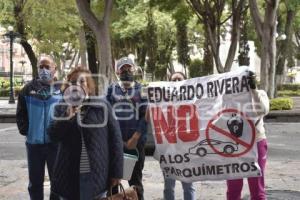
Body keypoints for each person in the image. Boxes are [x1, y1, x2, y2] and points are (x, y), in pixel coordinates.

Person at [47, 67, 123, 200]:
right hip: (69, 176)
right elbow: (52, 135)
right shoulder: (61, 106)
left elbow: (115, 139)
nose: (77, 86)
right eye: (73, 82)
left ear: (88, 86)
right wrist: (67, 118)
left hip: (97, 174)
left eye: (82, 82)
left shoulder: (102, 106)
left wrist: (117, 173)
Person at [16, 56, 61, 200]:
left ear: (55, 69)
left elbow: (68, 114)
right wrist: (27, 130)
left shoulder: (62, 90)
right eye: (41, 66)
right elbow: (20, 113)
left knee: (58, 183)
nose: (44, 70)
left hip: (55, 145)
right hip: (34, 145)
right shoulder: (27, 90)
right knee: (35, 183)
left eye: (47, 67)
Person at [107, 57, 148, 200]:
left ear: (133, 69)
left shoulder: (142, 90)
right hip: (114, 145)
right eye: (122, 68)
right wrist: (115, 140)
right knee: (112, 182)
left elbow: (146, 116)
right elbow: (106, 114)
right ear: (117, 71)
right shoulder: (111, 89)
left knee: (135, 182)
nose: (126, 71)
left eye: (128, 68)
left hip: (136, 145)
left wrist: (135, 138)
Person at [226, 71, 269, 200]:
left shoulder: (260, 93)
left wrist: (253, 90)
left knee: (257, 183)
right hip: (235, 144)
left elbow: (263, 110)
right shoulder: (230, 97)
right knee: (233, 185)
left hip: (256, 142)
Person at [163, 72, 196, 200]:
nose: (176, 81)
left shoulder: (192, 100)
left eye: (179, 79)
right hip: (169, 151)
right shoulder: (162, 102)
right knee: (168, 187)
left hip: (186, 151)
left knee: (188, 186)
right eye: (174, 79)